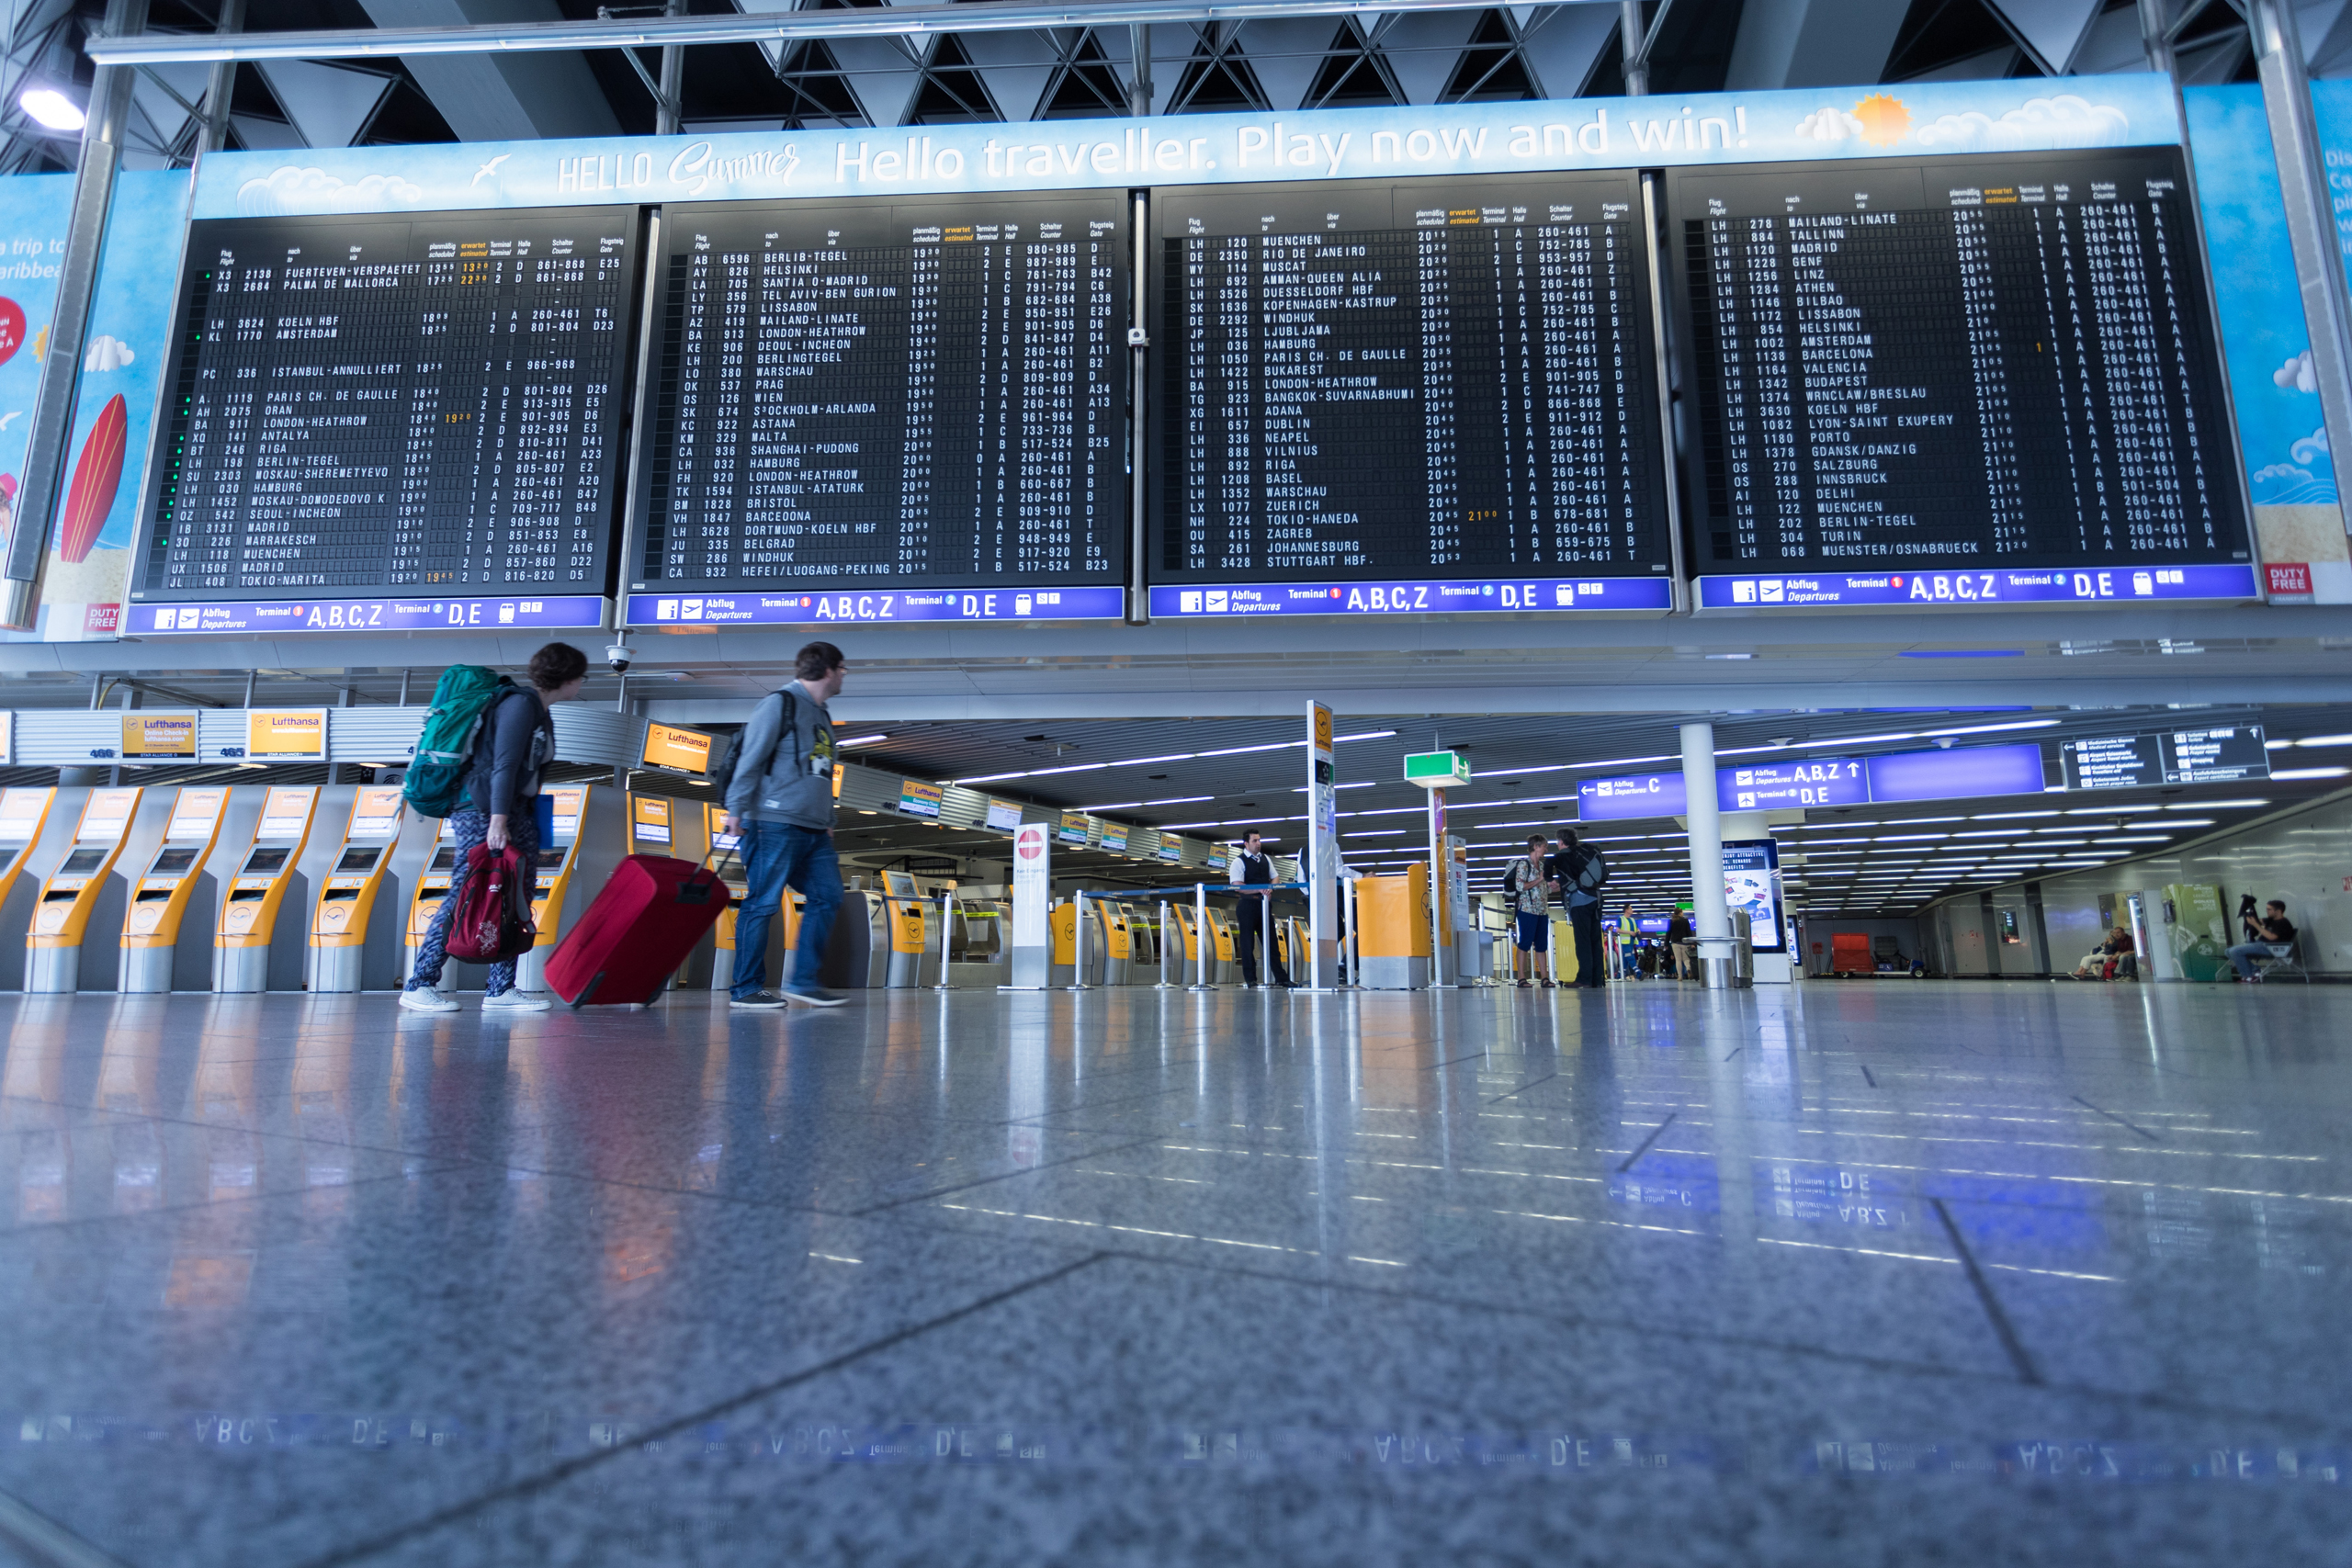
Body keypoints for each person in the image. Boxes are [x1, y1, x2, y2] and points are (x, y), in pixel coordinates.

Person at [401, 642, 588, 1014]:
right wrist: (498, 821)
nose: (583, 683)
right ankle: (420, 983)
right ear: (568, 679)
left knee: (517, 896)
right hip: (483, 811)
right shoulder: (520, 705)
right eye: (581, 676)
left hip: (517, 811)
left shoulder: (539, 709)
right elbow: (502, 765)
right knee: (465, 892)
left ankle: (501, 989)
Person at [724, 641, 849, 1009]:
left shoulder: (822, 714)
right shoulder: (781, 703)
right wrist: (736, 809)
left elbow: (821, 774)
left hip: (813, 829)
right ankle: (745, 989)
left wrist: (827, 819)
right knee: (763, 902)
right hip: (771, 821)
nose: (844, 676)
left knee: (828, 895)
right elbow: (751, 757)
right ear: (828, 670)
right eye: (842, 669)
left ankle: (803, 982)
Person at [1229, 829, 1291, 987]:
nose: (1258, 844)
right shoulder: (1238, 861)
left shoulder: (1265, 859)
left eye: (1259, 840)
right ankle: (1251, 979)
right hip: (1248, 906)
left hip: (1264, 905)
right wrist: (1260, 889)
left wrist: (1270, 888)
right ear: (1246, 843)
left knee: (1272, 943)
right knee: (1247, 943)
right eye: (1255, 841)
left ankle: (1281, 978)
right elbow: (1238, 886)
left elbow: (1275, 876)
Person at [1550, 829, 1606, 989]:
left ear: (1561, 841)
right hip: (1595, 901)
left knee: (1582, 942)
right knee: (1595, 941)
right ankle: (1597, 979)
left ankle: (1584, 979)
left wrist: (1556, 885)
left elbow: (1569, 882)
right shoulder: (1584, 853)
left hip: (1580, 902)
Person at [1500, 834, 1556, 988]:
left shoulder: (1543, 867)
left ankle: (1545, 978)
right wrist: (1539, 879)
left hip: (1542, 911)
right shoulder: (1524, 865)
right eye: (1544, 846)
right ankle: (1521, 978)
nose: (1546, 849)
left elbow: (1543, 889)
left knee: (1541, 944)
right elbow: (1520, 886)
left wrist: (1554, 886)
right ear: (1536, 846)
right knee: (1524, 942)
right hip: (1527, 910)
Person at [2227, 900, 2297, 983]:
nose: (2266, 911)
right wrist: (2250, 916)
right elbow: (2259, 920)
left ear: (2278, 911)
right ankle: (2255, 970)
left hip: (2271, 947)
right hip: (2261, 945)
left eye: (2269, 909)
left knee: (2235, 951)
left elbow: (2271, 937)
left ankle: (2248, 976)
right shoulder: (2271, 920)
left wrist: (2256, 925)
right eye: (2266, 909)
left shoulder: (2283, 923)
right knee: (2227, 951)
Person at [2069, 927, 2133, 981]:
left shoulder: (2118, 941)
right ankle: (2080, 972)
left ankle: (2082, 974)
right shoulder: (2117, 940)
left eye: (2117, 933)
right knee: (2085, 958)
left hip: (2108, 954)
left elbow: (2113, 949)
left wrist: (2111, 944)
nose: (2115, 934)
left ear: (2123, 932)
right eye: (2114, 933)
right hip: (2107, 953)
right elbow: (2106, 947)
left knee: (2088, 959)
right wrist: (2106, 943)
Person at [1666, 908, 1695, 980]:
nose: (1683, 913)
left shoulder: (1671, 921)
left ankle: (1680, 976)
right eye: (1682, 912)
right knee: (1686, 959)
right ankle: (1688, 969)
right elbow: (1689, 932)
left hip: (1675, 943)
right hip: (1684, 942)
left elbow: (1668, 933)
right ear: (1680, 913)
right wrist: (1692, 942)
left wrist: (1666, 943)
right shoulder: (1685, 921)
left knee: (1678, 960)